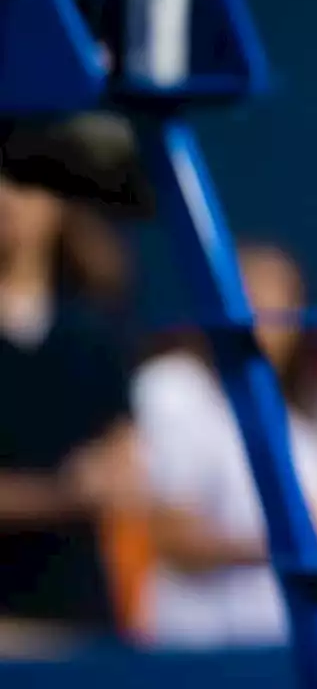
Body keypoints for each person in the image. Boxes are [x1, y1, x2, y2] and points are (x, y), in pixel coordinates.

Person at [133, 242, 317, 648]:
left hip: (314, 647)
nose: (264, 311)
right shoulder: (173, 387)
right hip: (206, 652)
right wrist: (297, 544)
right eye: (250, 292)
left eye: (279, 297)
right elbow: (175, 536)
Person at [0, 121, 141, 655]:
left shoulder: (95, 334)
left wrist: (111, 477)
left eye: (26, 182)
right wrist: (64, 493)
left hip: (84, 622)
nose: (9, 199)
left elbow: (125, 466)